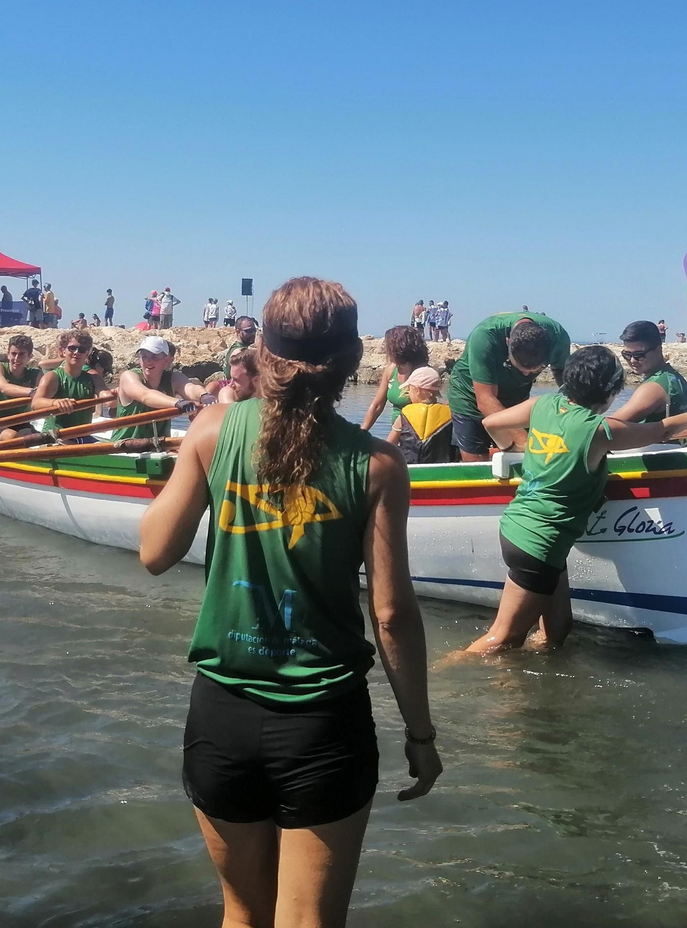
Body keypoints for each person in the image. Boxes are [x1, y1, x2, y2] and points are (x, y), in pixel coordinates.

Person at [137, 277, 440, 927]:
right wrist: (420, 734)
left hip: (223, 715)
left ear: (260, 356)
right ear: (353, 366)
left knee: (242, 914)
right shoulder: (378, 464)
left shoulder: (214, 430)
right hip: (324, 723)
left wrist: (192, 458)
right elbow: (392, 616)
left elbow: (155, 553)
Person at [463, 346, 687, 655]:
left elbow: (491, 423)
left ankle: (527, 680)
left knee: (557, 632)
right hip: (539, 543)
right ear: (611, 392)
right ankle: (446, 673)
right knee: (504, 638)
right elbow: (661, 429)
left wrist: (519, 449)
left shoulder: (542, 405)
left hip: (520, 528)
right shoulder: (599, 431)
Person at [446, 312, 571, 461]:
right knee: (478, 461)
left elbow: (565, 381)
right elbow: (485, 400)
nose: (525, 375)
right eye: (519, 368)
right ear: (507, 341)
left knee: (520, 458)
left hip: (516, 396)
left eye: (535, 370)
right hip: (470, 394)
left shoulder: (558, 337)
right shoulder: (485, 336)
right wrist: (528, 446)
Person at [112, 338, 211, 444]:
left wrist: (204, 395)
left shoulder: (174, 378)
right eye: (144, 357)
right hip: (124, 446)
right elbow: (145, 395)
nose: (148, 361)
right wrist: (177, 403)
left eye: (154, 357)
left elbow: (190, 388)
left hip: (159, 446)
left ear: (166, 360)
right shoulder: (129, 377)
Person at [609, 321, 687, 424]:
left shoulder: (654, 388)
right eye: (627, 354)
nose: (632, 360)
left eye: (639, 355)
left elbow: (606, 428)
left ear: (658, 351)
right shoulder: (672, 377)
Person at [32, 331, 104, 440]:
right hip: (55, 435)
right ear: (63, 351)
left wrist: (115, 392)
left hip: (82, 435)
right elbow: (35, 403)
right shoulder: (52, 377)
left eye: (82, 350)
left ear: (87, 353)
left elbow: (108, 398)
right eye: (72, 348)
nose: (76, 352)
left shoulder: (93, 378)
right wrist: (55, 402)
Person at [359, 326, 430, 433]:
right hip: (396, 433)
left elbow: (424, 412)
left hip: (415, 435)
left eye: (388, 346)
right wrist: (361, 433)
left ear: (399, 348)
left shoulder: (423, 373)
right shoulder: (391, 370)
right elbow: (377, 405)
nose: (385, 350)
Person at [0, 335, 42, 442]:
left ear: (30, 356)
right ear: (8, 354)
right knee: (11, 436)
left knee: (45, 440)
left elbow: (45, 393)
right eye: (13, 354)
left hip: (21, 423)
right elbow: (4, 388)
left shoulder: (36, 375)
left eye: (22, 354)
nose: (16, 358)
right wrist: (32, 392)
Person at [387, 368, 454, 464]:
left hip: (409, 469)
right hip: (440, 468)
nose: (408, 394)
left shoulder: (404, 415)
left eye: (409, 390)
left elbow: (389, 445)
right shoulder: (449, 413)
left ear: (417, 390)